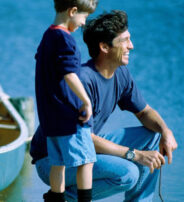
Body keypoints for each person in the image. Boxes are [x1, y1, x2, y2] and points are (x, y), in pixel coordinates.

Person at [31, 10, 178, 202]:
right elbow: (83, 138)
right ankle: (61, 198)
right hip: (53, 160)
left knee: (153, 134)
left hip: (85, 145)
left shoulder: (121, 74)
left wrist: (166, 131)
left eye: (130, 39)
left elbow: (144, 112)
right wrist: (135, 155)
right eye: (124, 41)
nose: (131, 46)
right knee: (128, 173)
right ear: (104, 47)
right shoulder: (82, 80)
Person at [34, 0, 98, 201]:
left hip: (49, 117)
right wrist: (86, 101)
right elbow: (70, 74)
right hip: (68, 116)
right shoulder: (65, 39)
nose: (84, 23)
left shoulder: (48, 36)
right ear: (72, 11)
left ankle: (56, 199)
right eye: (84, 18)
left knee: (58, 162)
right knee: (86, 161)